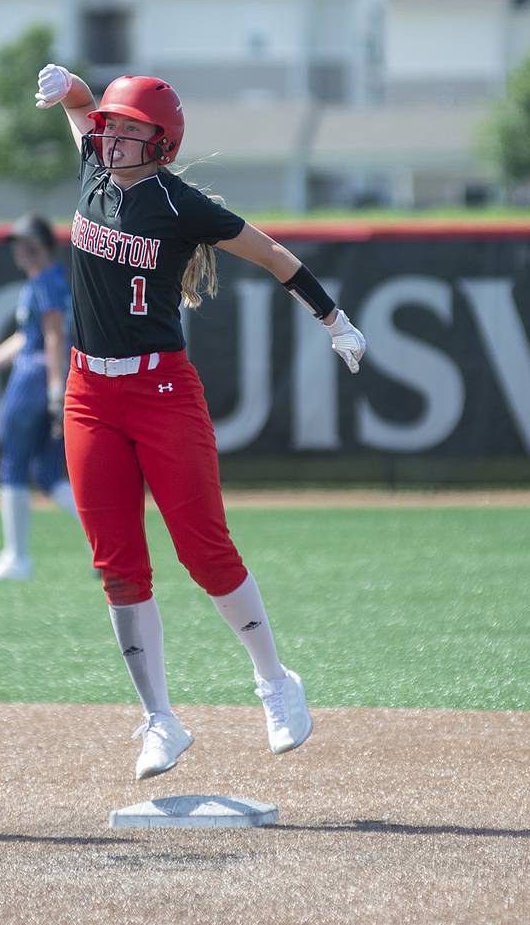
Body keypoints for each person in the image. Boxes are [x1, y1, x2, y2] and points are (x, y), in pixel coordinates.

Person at [32, 64, 367, 780]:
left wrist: (335, 319)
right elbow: (86, 106)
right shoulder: (94, 165)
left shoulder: (180, 204)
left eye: (129, 129)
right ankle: (160, 719)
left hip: (160, 391)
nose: (110, 135)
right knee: (116, 565)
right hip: (88, 395)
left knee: (204, 549)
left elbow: (274, 255)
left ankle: (276, 682)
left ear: (161, 143)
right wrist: (71, 89)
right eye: (110, 127)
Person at [0, 214, 83, 582]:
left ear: (43, 247)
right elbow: (30, 336)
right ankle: (107, 547)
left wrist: (56, 389)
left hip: (34, 379)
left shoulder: (46, 281)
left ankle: (16, 557)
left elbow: (54, 337)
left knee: (13, 465)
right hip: (47, 374)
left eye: (29, 244)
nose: (21, 251)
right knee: (47, 474)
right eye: (17, 244)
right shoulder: (47, 281)